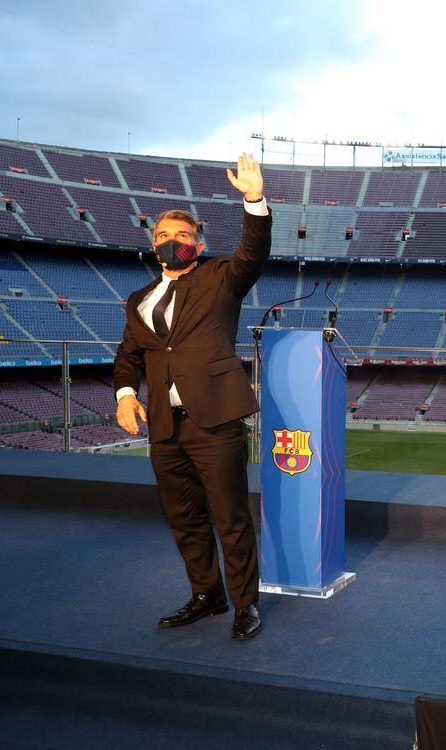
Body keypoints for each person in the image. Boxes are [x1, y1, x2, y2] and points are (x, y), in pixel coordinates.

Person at [113, 153, 270, 640]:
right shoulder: (139, 300)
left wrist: (254, 200)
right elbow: (129, 356)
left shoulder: (221, 276)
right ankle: (208, 595)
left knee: (231, 518)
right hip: (165, 425)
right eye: (163, 236)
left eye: (182, 236)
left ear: (198, 245)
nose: (172, 242)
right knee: (184, 518)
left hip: (215, 420)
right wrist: (123, 394)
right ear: (152, 244)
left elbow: (254, 253)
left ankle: (246, 605)